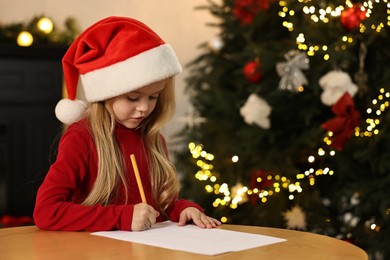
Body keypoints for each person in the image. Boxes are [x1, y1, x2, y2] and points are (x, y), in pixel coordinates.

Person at [33, 16, 221, 231]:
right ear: (106, 94)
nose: (144, 108)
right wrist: (122, 216)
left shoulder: (153, 138)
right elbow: (46, 212)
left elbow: (160, 205)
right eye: (133, 98)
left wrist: (183, 209)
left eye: (153, 97)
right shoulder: (82, 138)